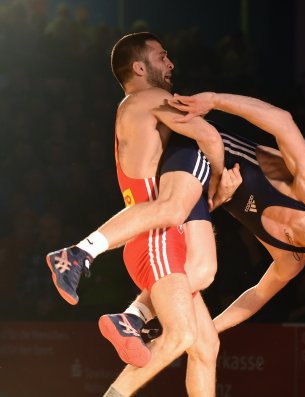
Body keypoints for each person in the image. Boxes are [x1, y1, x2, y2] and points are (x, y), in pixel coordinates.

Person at [97, 91, 305, 366]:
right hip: (195, 141)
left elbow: (254, 298)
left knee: (203, 334)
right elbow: (282, 121)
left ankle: (131, 318)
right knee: (201, 267)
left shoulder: (292, 260)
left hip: (193, 185)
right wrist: (214, 100)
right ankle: (88, 261)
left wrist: (208, 328)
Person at [48, 32, 223, 397]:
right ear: (140, 67)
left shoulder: (132, 106)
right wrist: (222, 177)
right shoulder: (152, 98)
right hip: (156, 239)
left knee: (206, 346)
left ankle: (131, 315)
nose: (170, 63)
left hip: (151, 235)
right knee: (183, 334)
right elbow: (207, 135)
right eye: (162, 57)